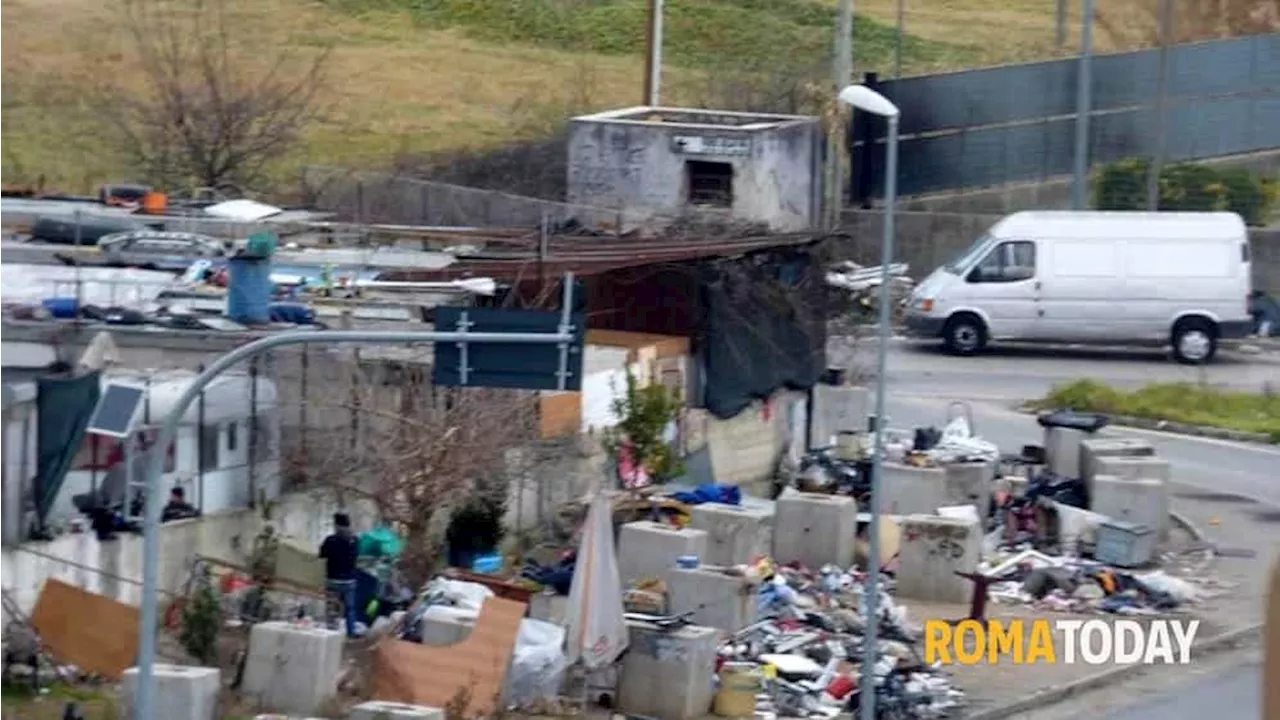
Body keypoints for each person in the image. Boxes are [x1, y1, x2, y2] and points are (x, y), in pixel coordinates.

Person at [319, 512, 360, 637]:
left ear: (337, 525)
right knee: (350, 608)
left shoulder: (330, 540)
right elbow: (356, 556)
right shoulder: (354, 540)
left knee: (332, 607)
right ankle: (351, 632)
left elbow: (321, 554)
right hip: (349, 580)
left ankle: (331, 633)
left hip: (333, 579)